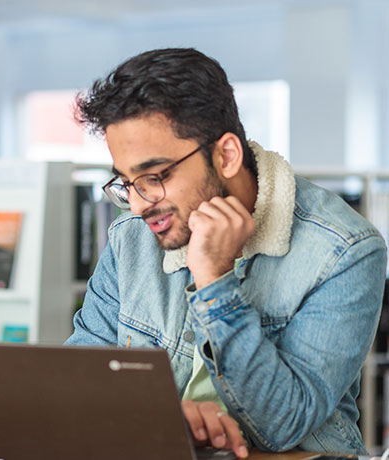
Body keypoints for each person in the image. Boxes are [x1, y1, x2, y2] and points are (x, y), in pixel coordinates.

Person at [66, 48, 386, 457]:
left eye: (154, 176)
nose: (140, 203)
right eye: (126, 182)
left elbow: (283, 427)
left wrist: (214, 282)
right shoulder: (132, 236)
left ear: (227, 156)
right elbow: (78, 386)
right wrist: (163, 419)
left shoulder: (344, 250)